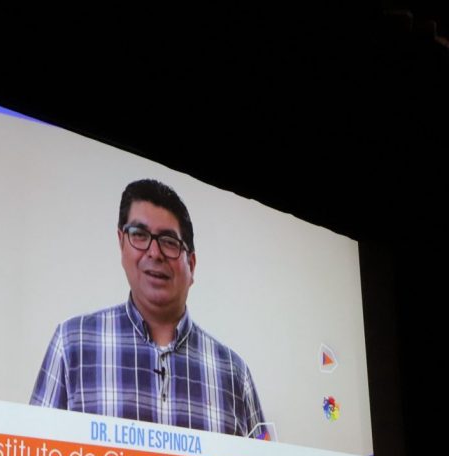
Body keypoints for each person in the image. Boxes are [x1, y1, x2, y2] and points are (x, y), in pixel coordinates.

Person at [30, 179, 269, 438]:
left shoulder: (234, 373)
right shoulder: (71, 344)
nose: (154, 253)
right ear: (122, 243)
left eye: (169, 241)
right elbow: (30, 454)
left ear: (191, 265)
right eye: (140, 235)